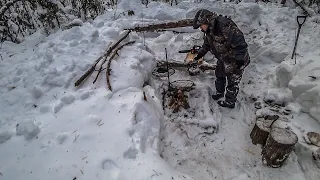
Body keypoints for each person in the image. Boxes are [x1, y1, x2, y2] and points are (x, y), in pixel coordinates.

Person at [192, 9, 250, 109]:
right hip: (224, 58)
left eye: (201, 25)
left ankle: (229, 102)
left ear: (207, 21)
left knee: (233, 81)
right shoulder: (209, 30)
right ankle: (219, 93)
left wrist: (240, 58)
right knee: (219, 74)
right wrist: (199, 54)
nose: (201, 28)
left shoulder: (224, 26)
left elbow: (240, 41)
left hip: (236, 58)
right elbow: (207, 44)